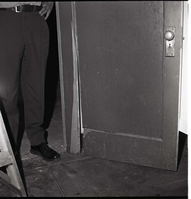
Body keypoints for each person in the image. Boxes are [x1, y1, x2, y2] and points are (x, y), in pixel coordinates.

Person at [0, 2, 61, 161]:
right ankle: (9, 147)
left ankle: (37, 140)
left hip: (36, 18)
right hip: (6, 17)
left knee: (36, 84)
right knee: (7, 91)